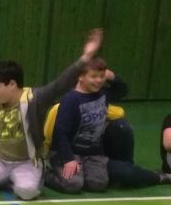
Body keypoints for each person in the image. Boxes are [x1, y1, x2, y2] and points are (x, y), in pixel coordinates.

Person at [0, 28, 103, 200]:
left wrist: (85, 58)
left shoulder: (34, 99)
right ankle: (5, 177)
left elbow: (61, 84)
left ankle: (25, 176)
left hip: (26, 162)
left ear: (12, 84)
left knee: (27, 193)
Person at [45, 60, 170, 192]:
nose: (99, 80)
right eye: (93, 76)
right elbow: (60, 132)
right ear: (80, 76)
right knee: (73, 184)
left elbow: (123, 90)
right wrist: (69, 159)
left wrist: (112, 76)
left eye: (101, 76)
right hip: (70, 153)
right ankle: (46, 175)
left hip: (92, 155)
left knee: (98, 184)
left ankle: (83, 174)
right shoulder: (71, 100)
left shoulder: (103, 94)